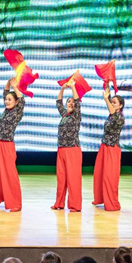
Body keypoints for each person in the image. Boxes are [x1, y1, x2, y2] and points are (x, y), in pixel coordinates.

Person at [0, 78, 25, 212]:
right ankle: (0, 197)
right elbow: (5, 92)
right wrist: (9, 83)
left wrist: (15, 87)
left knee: (9, 175)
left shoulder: (17, 112)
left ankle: (15, 203)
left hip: (7, 146)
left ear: (16, 102)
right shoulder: (6, 110)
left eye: (10, 100)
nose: (6, 101)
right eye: (6, 99)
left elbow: (22, 100)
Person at [92, 85, 125, 211]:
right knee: (99, 174)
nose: (112, 104)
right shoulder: (112, 115)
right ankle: (100, 198)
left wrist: (106, 99)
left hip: (112, 149)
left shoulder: (119, 117)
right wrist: (107, 87)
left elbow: (112, 111)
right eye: (112, 102)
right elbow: (111, 109)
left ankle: (111, 203)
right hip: (104, 147)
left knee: (109, 178)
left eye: (114, 102)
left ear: (120, 106)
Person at [52, 80, 82, 212]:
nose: (70, 103)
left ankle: (75, 205)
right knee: (61, 178)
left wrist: (73, 87)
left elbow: (77, 100)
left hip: (72, 150)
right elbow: (59, 102)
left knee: (73, 179)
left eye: (72, 102)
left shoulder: (76, 116)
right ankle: (59, 203)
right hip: (61, 149)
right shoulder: (64, 115)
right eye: (68, 102)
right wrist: (63, 89)